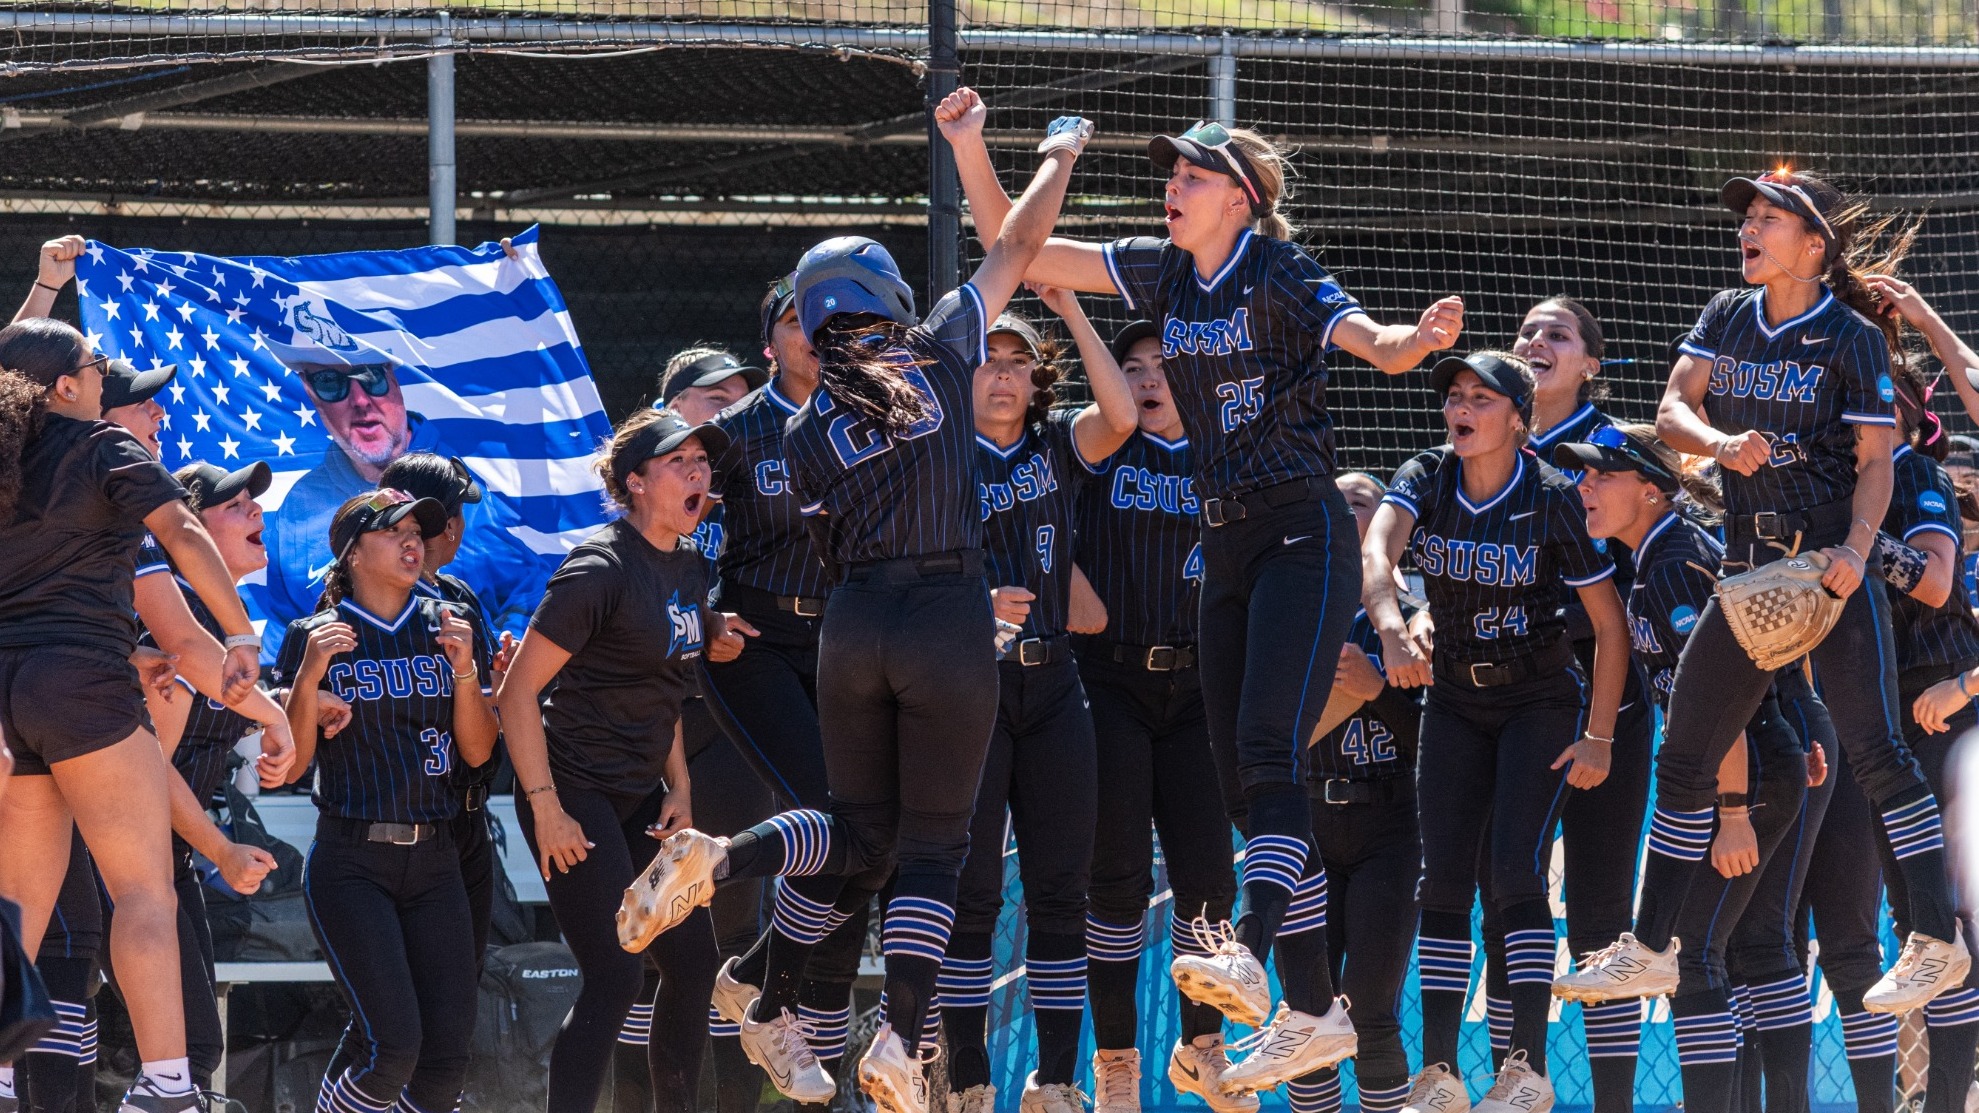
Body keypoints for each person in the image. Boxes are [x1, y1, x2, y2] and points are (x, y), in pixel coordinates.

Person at [938, 87, 1463, 1093]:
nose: (1170, 184)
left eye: (1189, 174)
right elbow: (1021, 248)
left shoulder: (1277, 270)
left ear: (1242, 197)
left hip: (1297, 532)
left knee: (1265, 756)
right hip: (1223, 544)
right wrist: (970, 148)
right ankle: (1311, 1013)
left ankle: (1253, 962)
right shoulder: (1166, 272)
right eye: (1170, 172)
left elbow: (1380, 349)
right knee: (1246, 786)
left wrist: (1417, 340)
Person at [631, 112, 1092, 1113]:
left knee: (855, 830)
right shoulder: (935, 348)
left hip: (849, 624)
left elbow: (821, 533)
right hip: (943, 614)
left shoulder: (794, 434)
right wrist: (1057, 152)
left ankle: (733, 872)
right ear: (883, 295)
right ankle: (899, 1033)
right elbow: (1015, 242)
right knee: (932, 847)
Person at [1555, 169, 1969, 1014]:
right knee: (1684, 758)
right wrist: (1716, 439)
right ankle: (1650, 947)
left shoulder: (1848, 335)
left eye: (1769, 216)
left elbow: (1875, 463)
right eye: (1746, 214)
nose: (1747, 225)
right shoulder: (1724, 314)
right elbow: (1671, 411)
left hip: (1822, 563)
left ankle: (1935, 939)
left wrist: (1856, 550)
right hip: (1746, 569)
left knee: (1876, 753)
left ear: (1813, 245)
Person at [0, 317, 261, 1113]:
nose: (105, 375)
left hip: (10, 692)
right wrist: (241, 630)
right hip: (83, 681)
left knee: (18, 907)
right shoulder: (103, 447)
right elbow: (180, 527)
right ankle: (168, 1087)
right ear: (66, 388)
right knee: (145, 889)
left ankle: (1, 1079)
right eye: (93, 365)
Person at [1362, 351, 1628, 1113]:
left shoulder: (1549, 496)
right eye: (1453, 395)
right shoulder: (1425, 474)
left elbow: (1609, 627)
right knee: (1440, 878)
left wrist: (1600, 734)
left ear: (1517, 415)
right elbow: (1376, 548)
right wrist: (1389, 623)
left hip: (1536, 700)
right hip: (1451, 699)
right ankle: (1440, 1073)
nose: (1461, 407)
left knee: (1512, 870)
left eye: (1481, 396)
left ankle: (1525, 1070)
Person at [1554, 424, 1816, 1113]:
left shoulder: (1671, 560)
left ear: (1649, 488)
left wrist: (1732, 811)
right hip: (1755, 765)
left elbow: (1719, 703)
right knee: (1728, 953)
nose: (1583, 487)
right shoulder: (1658, 555)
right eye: (1580, 475)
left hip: (1746, 774)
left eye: (1598, 475)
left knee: (1688, 953)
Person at [494, 408, 730, 1113]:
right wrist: (547, 810)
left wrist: (680, 786)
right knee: (614, 975)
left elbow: (665, 688)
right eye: (677, 461)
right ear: (633, 482)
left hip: (639, 794)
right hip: (570, 791)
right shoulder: (598, 568)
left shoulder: (689, 563)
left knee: (690, 964)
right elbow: (514, 694)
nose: (697, 472)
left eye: (701, 460)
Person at [941, 293, 1135, 1113]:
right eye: (989, 359)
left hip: (1054, 681)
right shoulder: (938, 455)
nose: (1003, 374)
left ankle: (1054, 1080)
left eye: (1019, 362)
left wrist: (1069, 308)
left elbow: (1120, 413)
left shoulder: (1055, 447)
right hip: (967, 685)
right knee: (971, 890)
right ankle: (964, 1078)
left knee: (1062, 888)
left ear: (1036, 380)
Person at [698, 278, 866, 1111]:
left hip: (847, 641)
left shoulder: (871, 424)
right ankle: (767, 998)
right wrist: (701, 614)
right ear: (770, 342)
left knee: (874, 841)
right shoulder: (728, 434)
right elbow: (682, 542)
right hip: (752, 643)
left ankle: (763, 990)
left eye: (831, 317)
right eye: (798, 319)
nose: (817, 331)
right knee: (835, 821)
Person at [274, 488, 496, 1113]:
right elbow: (291, 762)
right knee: (393, 1049)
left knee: (447, 1060)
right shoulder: (314, 635)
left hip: (437, 858)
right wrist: (309, 677)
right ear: (350, 552)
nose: (413, 541)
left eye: (418, 530)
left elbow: (478, 753)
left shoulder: (448, 620)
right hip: (353, 861)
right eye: (393, 530)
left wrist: (465, 669)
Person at [1073, 319, 1240, 1113]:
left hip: (1200, 690)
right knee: (1116, 882)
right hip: (1109, 681)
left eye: (1161, 366)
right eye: (1130, 365)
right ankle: (1115, 1062)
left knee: (1207, 878)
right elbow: (1027, 525)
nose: (1145, 378)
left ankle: (1200, 1043)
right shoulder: (1100, 450)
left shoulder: (1229, 455)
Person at [1508, 297, 1653, 1113]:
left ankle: (1613, 1104)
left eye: (1557, 334)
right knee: (1508, 891)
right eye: (1528, 331)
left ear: (1590, 362)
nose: (1537, 342)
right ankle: (1515, 1082)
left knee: (1601, 916)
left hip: (1609, 702)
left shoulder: (1616, 449)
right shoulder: (1486, 431)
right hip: (1505, 700)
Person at [135, 460, 301, 1099]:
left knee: (194, 1052)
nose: (257, 513)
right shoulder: (176, 626)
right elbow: (145, 768)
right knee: (184, 1051)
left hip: (168, 861)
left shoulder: (227, 625)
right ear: (190, 533)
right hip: (122, 861)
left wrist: (299, 701)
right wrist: (222, 850)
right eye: (237, 505)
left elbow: (258, 740)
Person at [259, 320, 546, 660]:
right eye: (330, 383)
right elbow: (284, 629)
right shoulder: (299, 506)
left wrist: (495, 654)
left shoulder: (458, 489)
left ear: (395, 380)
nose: (360, 400)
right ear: (310, 393)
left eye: (372, 378)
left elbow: (530, 589)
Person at [1281, 469, 1423, 1113]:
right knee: (1306, 1017)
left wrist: (1380, 693)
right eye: (1332, 504)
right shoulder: (1285, 608)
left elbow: (1454, 741)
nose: (1344, 513)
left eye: (1361, 503)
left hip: (1388, 827)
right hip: (1304, 827)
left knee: (1371, 1011)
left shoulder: (1417, 619)